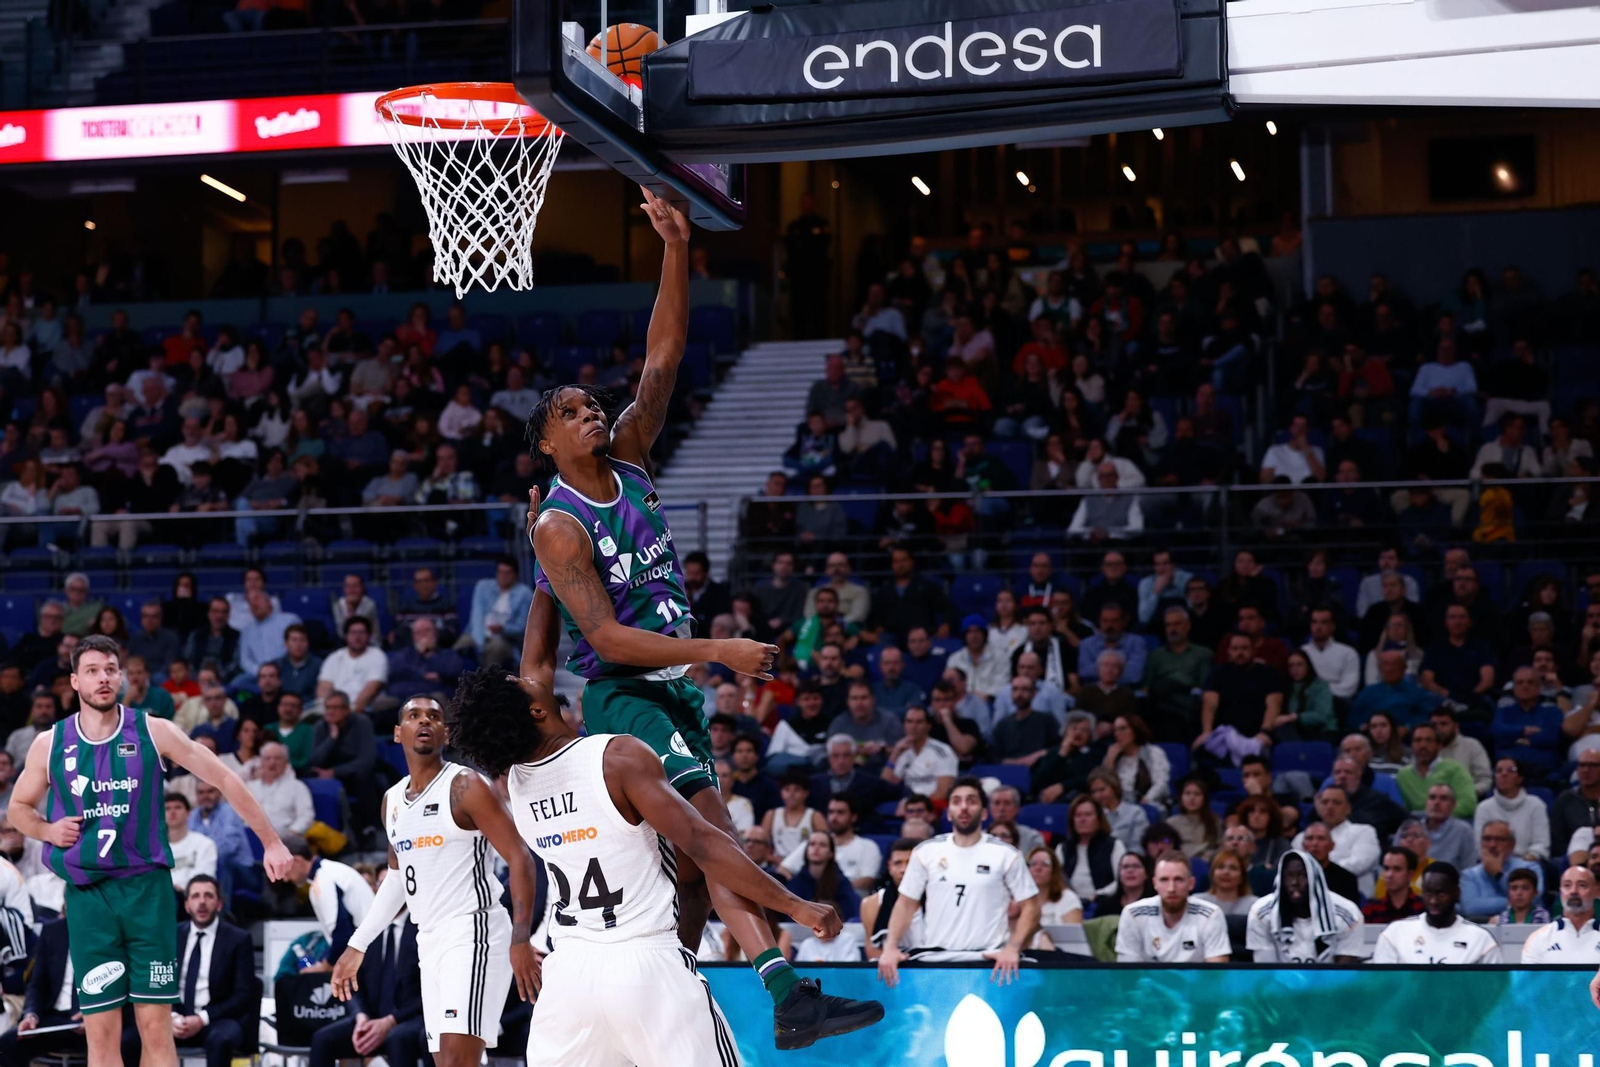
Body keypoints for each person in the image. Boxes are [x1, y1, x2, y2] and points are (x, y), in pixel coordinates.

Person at [447, 666, 882, 1057]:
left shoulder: (517, 783)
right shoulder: (616, 757)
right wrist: (795, 906)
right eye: (523, 682)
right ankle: (783, 988)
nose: (532, 676)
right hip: (644, 963)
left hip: (568, 979)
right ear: (537, 711)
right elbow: (705, 844)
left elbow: (534, 667)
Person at [3, 635, 292, 1064]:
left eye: (110, 669)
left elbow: (223, 777)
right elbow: (18, 808)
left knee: (156, 1028)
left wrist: (271, 841)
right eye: (92, 671)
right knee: (101, 1033)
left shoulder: (153, 731)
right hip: (89, 898)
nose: (103, 678)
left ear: (121, 676)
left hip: (147, 893)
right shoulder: (51, 743)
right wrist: (46, 830)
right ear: (75, 681)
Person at [332, 697, 538, 1067]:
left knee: (458, 1060)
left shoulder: (466, 786)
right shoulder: (392, 801)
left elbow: (520, 857)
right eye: (414, 716)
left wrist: (521, 937)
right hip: (428, 939)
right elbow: (397, 878)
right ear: (398, 733)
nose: (424, 721)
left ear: (446, 733)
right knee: (446, 1061)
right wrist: (357, 944)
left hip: (472, 931)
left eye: (434, 716)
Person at [878, 777, 1040, 982]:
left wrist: (1013, 947)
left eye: (971, 801)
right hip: (935, 960)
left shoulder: (1006, 854)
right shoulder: (926, 852)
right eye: (956, 801)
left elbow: (1031, 906)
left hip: (989, 960)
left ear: (984, 813)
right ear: (948, 812)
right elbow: (906, 904)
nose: (963, 807)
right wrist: (890, 947)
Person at [118, 874, 253, 1067]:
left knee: (221, 1040)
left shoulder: (238, 939)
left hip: (216, 1019)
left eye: (208, 896)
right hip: (172, 1018)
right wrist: (171, 1017)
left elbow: (244, 995)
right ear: (187, 905)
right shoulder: (170, 936)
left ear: (219, 904)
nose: (202, 902)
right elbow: (154, 982)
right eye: (196, 896)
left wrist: (201, 1019)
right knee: (128, 1040)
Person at [1245, 850, 1364, 963]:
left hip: (1329, 978)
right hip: (1279, 978)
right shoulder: (1261, 913)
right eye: (1288, 876)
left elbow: (1344, 973)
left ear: (1315, 878)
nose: (1294, 882)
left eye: (1302, 875)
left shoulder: (1348, 914)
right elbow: (1266, 971)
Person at [1370, 863, 1499, 964]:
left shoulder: (1481, 939)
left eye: (1441, 894)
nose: (1433, 901)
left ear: (1457, 893)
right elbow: (1382, 985)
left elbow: (1497, 987)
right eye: (1428, 893)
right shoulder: (1395, 933)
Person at [1114, 853, 1231, 963]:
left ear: (1191, 883)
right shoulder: (1133, 914)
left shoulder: (1210, 915)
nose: (1171, 888)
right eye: (1164, 880)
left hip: (1196, 979)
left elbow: (1216, 972)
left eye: (1178, 879)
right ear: (1155, 883)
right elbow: (1128, 972)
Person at [0, 917, 80, 1063]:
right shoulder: (52, 931)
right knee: (7, 1043)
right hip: (52, 1017)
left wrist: (96, 1015)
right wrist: (31, 1014)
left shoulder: (104, 930)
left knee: (122, 1042)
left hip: (90, 1018)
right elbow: (36, 985)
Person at [1460, 819, 1543, 919]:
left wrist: (1499, 874)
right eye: (1487, 839)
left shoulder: (1530, 868)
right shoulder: (1469, 875)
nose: (1492, 845)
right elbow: (1470, 908)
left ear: (1512, 844)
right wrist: (1512, 902)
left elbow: (1533, 900)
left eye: (1499, 839)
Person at [1473, 757, 1551, 860]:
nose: (1504, 774)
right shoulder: (1483, 807)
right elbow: (1479, 846)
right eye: (1499, 771)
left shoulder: (1536, 804)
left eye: (1511, 770)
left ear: (1520, 778)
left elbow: (1541, 844)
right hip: (1492, 861)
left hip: (1528, 862)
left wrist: (1522, 863)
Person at [1396, 723, 1478, 818]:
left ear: (1439, 745)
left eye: (1428, 740)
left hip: (1451, 822)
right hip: (1417, 824)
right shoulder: (1403, 775)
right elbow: (1402, 810)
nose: (1423, 745)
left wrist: (1437, 816)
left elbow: (1468, 804)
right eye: (1418, 740)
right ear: (1411, 746)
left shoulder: (1455, 769)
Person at [1057, 793, 1128, 902]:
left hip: (1104, 902)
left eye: (1088, 815)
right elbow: (1055, 880)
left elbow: (1121, 878)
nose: (1082, 819)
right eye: (1078, 815)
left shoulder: (1114, 845)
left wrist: (1099, 895)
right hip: (1069, 903)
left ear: (1098, 819)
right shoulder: (1063, 848)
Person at [1521, 865, 1600, 962]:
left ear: (1596, 891)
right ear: (1561, 891)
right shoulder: (1538, 938)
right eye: (1567, 885)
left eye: (1582, 885)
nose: (1573, 891)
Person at [882, 705, 958, 803]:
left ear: (928, 726)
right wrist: (894, 755)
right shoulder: (902, 751)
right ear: (904, 725)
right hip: (908, 803)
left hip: (933, 804)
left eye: (919, 722)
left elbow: (943, 792)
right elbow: (885, 786)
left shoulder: (942, 751)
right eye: (909, 721)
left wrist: (917, 806)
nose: (913, 727)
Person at [166, 793, 218, 896]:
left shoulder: (204, 844)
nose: (172, 812)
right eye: (167, 809)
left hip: (193, 897)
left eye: (178, 807)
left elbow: (204, 879)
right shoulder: (154, 850)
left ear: (188, 813)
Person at [1364, 846, 1425, 923]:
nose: (1389, 875)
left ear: (1410, 874)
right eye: (1386, 869)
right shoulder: (1371, 909)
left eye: (1397, 869)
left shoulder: (1424, 909)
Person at [1194, 847, 1257, 917]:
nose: (1226, 872)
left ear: (1242, 876)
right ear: (1212, 874)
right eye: (1220, 867)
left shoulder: (1255, 905)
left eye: (1233, 868)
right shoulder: (1197, 902)